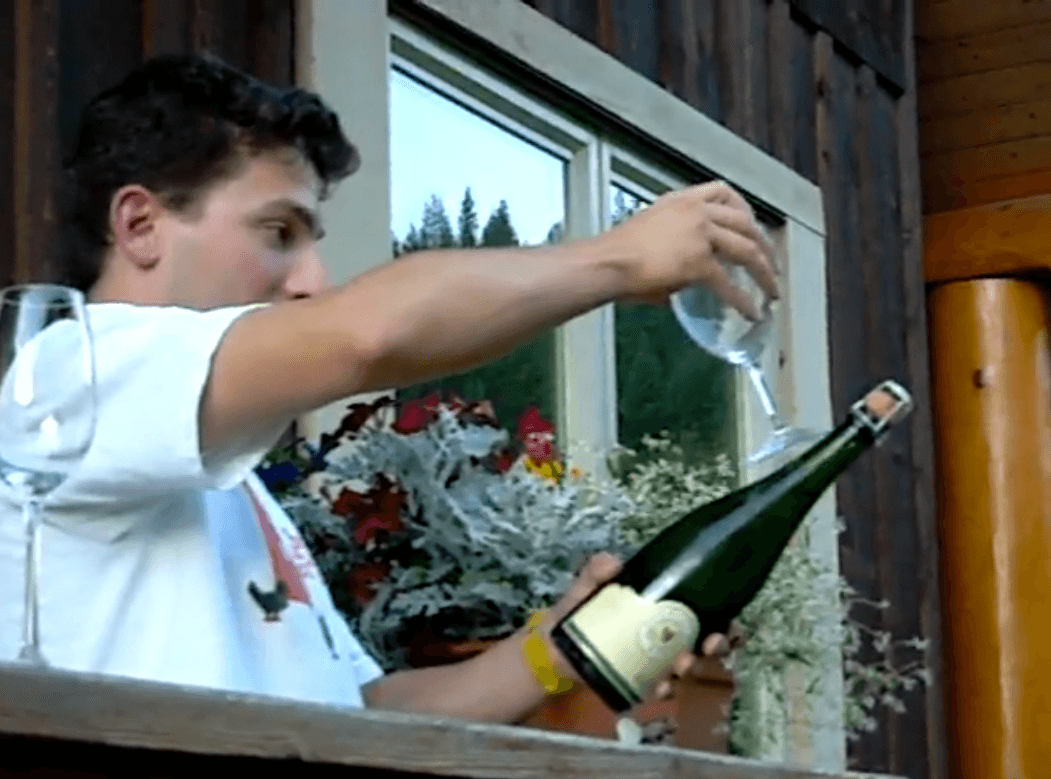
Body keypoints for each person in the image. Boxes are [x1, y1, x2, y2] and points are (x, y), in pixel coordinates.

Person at [0, 52, 777, 724]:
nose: (313, 280)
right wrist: (614, 261)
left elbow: (356, 713)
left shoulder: (217, 481)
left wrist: (560, 646)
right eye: (278, 232)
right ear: (140, 225)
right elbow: (363, 337)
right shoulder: (76, 378)